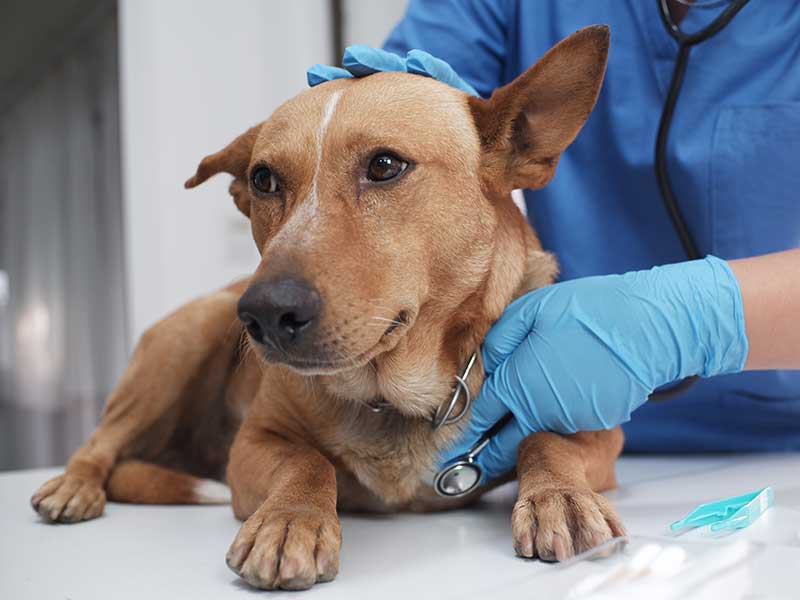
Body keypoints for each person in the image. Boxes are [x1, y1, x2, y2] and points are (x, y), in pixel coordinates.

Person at [375, 0, 800, 480]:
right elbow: (404, 125)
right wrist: (376, 127)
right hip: (553, 419)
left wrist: (693, 320)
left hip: (783, 456)